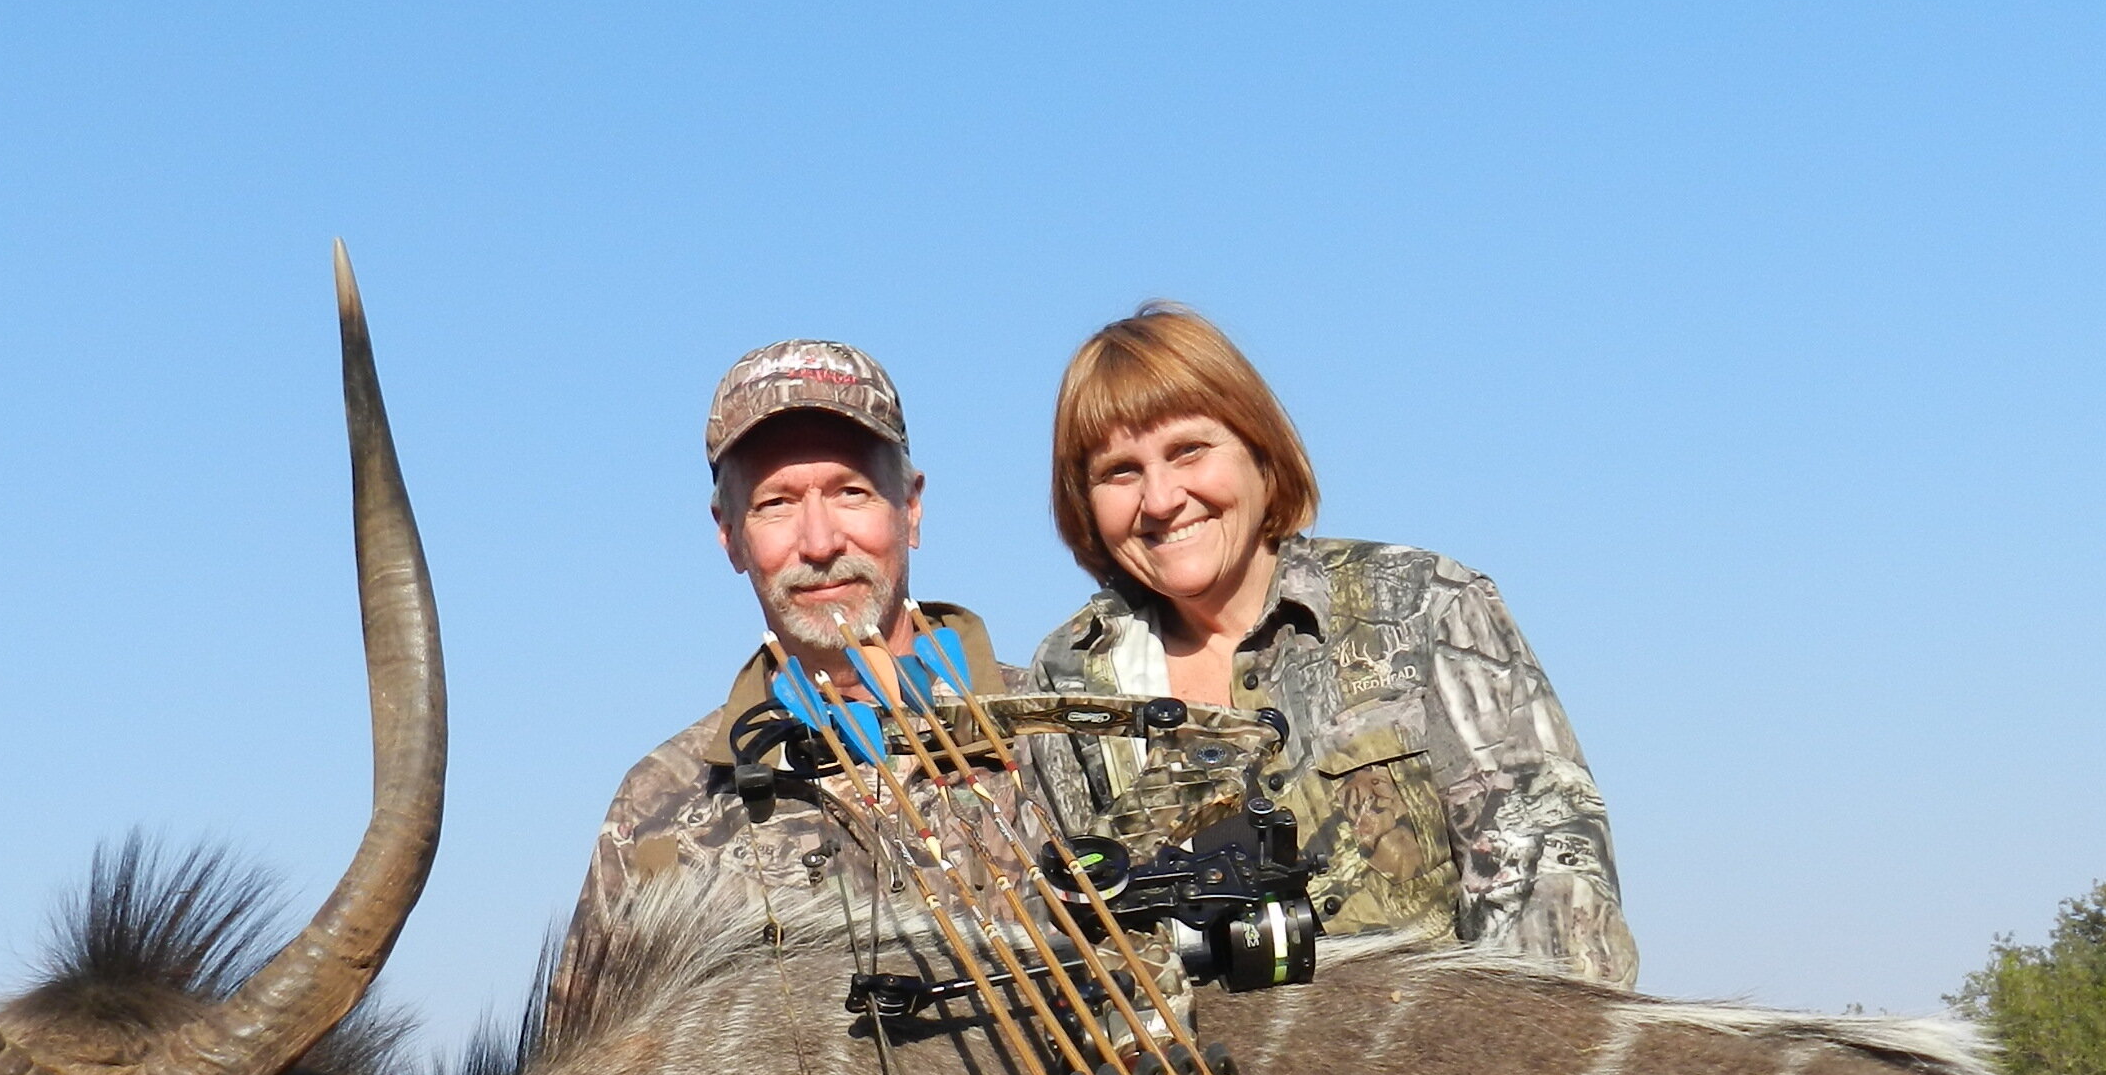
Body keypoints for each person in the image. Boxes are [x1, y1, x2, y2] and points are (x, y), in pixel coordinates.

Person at [1027, 304, 1637, 985]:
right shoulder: (1067, 682)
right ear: (1084, 502)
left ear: (1260, 450)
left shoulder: (1424, 603)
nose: (1162, 497)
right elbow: (1072, 940)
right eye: (1119, 471)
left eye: (1189, 450)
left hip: (1447, 1068)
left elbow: (1552, 880)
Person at [557, 339, 1002, 991]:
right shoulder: (656, 808)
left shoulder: (1066, 735)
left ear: (911, 506)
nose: (819, 543)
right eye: (776, 504)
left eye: (852, 492)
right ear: (729, 534)